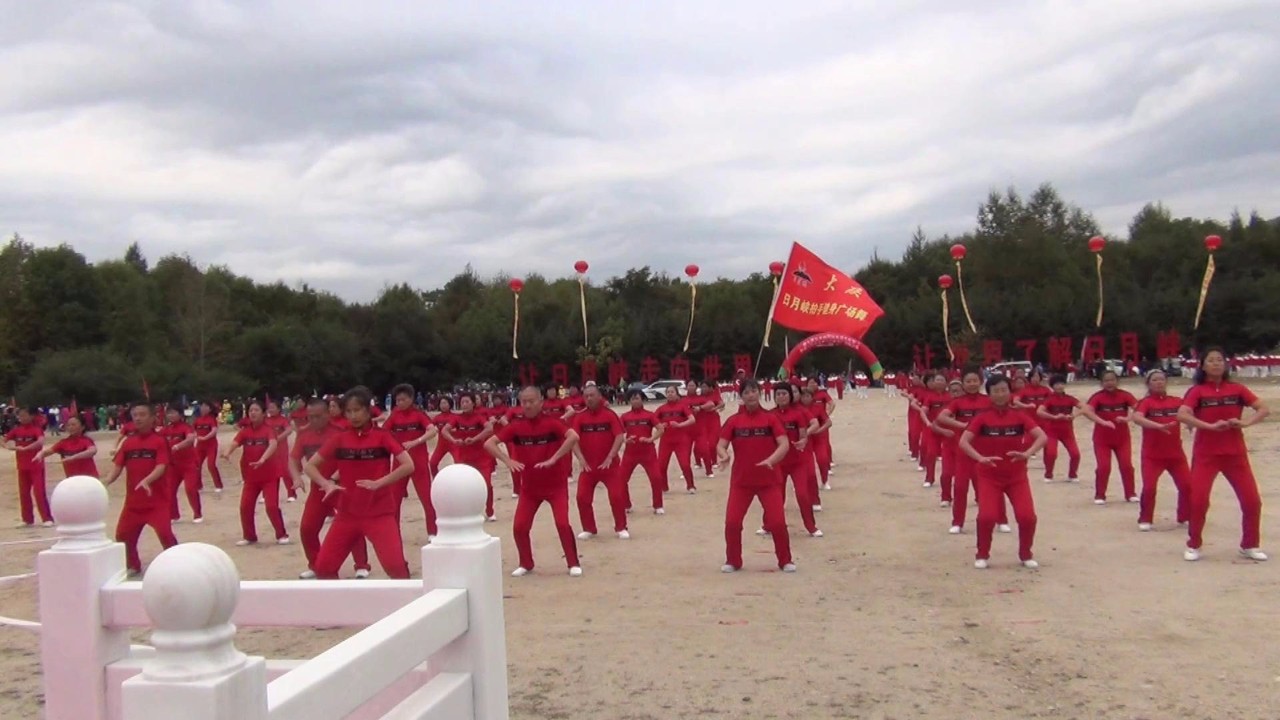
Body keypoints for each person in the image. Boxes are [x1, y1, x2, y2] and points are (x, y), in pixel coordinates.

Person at [304, 387, 413, 579]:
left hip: (379, 513)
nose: (353, 415)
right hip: (347, 514)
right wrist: (326, 483)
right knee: (324, 568)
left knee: (396, 568)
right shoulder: (340, 439)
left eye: (357, 410)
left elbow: (408, 465)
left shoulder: (382, 437)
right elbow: (310, 466)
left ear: (367, 410)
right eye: (348, 411)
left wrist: (380, 482)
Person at [1177, 347, 1271, 562]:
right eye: (1211, 360)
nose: (1217, 364)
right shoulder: (1197, 391)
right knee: (1199, 500)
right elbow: (1183, 415)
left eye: (1220, 360)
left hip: (1235, 454)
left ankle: (1250, 544)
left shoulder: (1237, 389)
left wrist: (1245, 422)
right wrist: (1208, 426)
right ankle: (1194, 544)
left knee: (1252, 501)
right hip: (1206, 455)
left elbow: (1263, 409)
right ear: (1202, 365)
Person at [485, 386, 582, 577]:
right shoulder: (515, 426)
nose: (527, 405)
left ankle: (573, 563)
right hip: (529, 488)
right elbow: (489, 443)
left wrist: (554, 458)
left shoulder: (552, 423)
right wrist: (507, 460)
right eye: (524, 402)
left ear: (540, 402)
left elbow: (573, 437)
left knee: (562, 523)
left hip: (556, 487)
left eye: (531, 401)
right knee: (519, 527)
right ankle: (526, 563)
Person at [958, 375, 1048, 570]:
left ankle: (1025, 554)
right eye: (996, 391)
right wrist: (980, 458)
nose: (1000, 394)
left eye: (1004, 390)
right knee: (987, 516)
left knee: (1027, 517)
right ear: (989, 394)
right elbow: (963, 442)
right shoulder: (981, 418)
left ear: (1010, 392)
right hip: (989, 475)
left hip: (1016, 476)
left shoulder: (1020, 416)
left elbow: (1041, 437)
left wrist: (1026, 453)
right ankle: (982, 554)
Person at [716, 380, 794, 573]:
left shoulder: (771, 419)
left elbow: (784, 444)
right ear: (741, 396)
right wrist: (724, 456)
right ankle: (733, 560)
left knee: (777, 523)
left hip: (768, 481)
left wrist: (771, 460)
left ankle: (785, 560)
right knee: (732, 523)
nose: (750, 395)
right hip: (741, 482)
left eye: (753, 391)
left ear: (759, 393)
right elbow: (720, 444)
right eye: (746, 392)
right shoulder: (734, 421)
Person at [291, 397, 370, 580]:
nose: (314, 420)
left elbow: (352, 459)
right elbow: (293, 458)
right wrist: (296, 477)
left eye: (318, 416)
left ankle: (361, 565)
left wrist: (334, 479)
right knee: (307, 528)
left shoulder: (340, 432)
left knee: (351, 527)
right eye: (310, 417)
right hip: (318, 489)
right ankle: (316, 564)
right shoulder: (304, 435)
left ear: (328, 414)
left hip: (341, 488)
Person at [103, 401, 178, 576]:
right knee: (123, 536)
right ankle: (133, 565)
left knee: (166, 535)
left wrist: (147, 480)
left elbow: (161, 466)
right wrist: (105, 482)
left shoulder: (159, 442)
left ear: (153, 418)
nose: (138, 418)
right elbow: (117, 467)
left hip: (156, 502)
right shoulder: (128, 443)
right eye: (135, 415)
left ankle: (177, 564)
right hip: (133, 503)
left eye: (143, 415)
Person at [935, 369, 1009, 535]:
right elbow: (942, 417)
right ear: (963, 383)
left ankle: (1002, 519)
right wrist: (963, 426)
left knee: (994, 487)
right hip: (964, 451)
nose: (972, 384)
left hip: (986, 450)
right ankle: (957, 522)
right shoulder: (958, 403)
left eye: (975, 380)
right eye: (968, 381)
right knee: (960, 487)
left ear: (981, 381)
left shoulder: (988, 400)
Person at [221, 400, 289, 546]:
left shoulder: (269, 429)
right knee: (245, 506)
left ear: (263, 413)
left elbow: (273, 444)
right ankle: (249, 536)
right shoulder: (245, 431)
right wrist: (227, 452)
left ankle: (281, 534)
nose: (253, 413)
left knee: (271, 506)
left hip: (269, 476)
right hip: (251, 477)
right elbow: (235, 442)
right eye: (251, 410)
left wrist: (263, 459)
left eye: (256, 410)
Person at [1130, 370, 1189, 532]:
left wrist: (1191, 423)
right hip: (1152, 456)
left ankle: (1184, 516)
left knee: (1186, 485)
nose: (1159, 382)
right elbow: (1137, 418)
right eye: (1154, 380)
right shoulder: (1146, 402)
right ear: (1148, 383)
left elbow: (1190, 412)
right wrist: (1158, 426)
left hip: (1176, 454)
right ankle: (1145, 518)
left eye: (1162, 379)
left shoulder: (1176, 401)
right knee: (1149, 487)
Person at [571, 385, 629, 540]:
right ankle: (589, 528)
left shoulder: (610, 415)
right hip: (589, 467)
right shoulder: (580, 417)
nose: (589, 398)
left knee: (616, 496)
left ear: (599, 396)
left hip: (610, 466)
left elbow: (619, 436)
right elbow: (573, 439)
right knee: (582, 497)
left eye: (592, 395)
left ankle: (621, 527)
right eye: (586, 396)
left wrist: (610, 457)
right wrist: (580, 458)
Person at [385, 384, 439, 533]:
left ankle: (433, 531)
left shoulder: (418, 414)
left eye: (403, 399)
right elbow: (383, 433)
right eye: (398, 400)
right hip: (399, 464)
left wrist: (416, 441)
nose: (400, 403)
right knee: (394, 499)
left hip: (419, 462)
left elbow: (433, 430)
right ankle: (393, 531)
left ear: (411, 399)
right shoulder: (394, 415)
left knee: (427, 498)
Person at [771, 384, 822, 538]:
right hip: (778, 463)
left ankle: (811, 526)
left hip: (797, 462)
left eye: (784, 394)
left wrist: (803, 441)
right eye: (778, 394)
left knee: (802, 494)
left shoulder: (798, 414)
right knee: (776, 496)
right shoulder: (770, 415)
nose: (781, 396)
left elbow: (803, 434)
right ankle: (769, 524)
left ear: (791, 396)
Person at [1085, 371, 1138, 504]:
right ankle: (1100, 495)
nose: (1109, 383)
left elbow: (1139, 410)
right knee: (1104, 467)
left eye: (1112, 380)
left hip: (1122, 438)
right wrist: (1102, 422)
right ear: (1101, 383)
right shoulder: (1097, 397)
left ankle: (1130, 493)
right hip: (1102, 439)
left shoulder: (1125, 395)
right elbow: (1087, 411)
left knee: (1126, 466)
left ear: (1117, 381)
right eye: (1106, 380)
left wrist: (1127, 418)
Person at [442, 393, 496, 522]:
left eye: (467, 401)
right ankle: (469, 511)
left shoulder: (479, 417)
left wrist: (475, 439)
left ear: (473, 403)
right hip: (464, 457)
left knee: (486, 484)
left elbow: (489, 429)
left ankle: (489, 511)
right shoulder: (456, 418)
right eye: (462, 402)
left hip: (481, 456)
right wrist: (454, 441)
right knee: (464, 485)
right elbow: (444, 430)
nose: (464, 404)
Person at [1035, 376, 1091, 483]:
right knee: (1051, 454)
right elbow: (1039, 412)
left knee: (1075, 454)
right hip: (1052, 431)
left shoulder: (1070, 399)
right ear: (1052, 387)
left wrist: (1074, 415)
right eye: (1056, 384)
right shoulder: (1049, 400)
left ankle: (1072, 474)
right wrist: (1054, 417)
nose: (1059, 386)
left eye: (1061, 383)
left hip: (1067, 432)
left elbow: (1085, 407)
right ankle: (1048, 474)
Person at [617, 390, 665, 514]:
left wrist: (651, 439)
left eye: (637, 398)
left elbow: (660, 428)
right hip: (630, 453)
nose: (635, 401)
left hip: (648, 452)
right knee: (621, 480)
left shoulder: (649, 415)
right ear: (629, 401)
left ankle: (658, 505)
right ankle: (626, 505)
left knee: (656, 478)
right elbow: (617, 433)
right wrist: (625, 440)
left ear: (642, 399)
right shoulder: (625, 417)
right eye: (632, 399)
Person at [3, 407, 52, 527]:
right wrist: (9, 447)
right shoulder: (16, 430)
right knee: (24, 493)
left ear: (31, 416)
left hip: (36, 466)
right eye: (20, 416)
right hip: (22, 466)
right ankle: (27, 519)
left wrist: (26, 448)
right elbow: (4, 440)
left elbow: (40, 441)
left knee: (39, 492)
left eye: (24, 415)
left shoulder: (36, 430)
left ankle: (46, 518)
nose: (22, 418)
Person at [160, 406, 202, 524]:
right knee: (170, 491)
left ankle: (197, 513)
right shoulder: (165, 430)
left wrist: (177, 446)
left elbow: (190, 439)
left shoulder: (186, 427)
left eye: (173, 413)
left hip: (189, 465)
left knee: (190, 489)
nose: (171, 416)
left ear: (180, 414)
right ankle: (173, 515)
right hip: (173, 466)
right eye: (169, 414)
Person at [655, 386, 697, 494]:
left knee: (685, 464)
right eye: (668, 392)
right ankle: (664, 487)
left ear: (677, 394)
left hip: (681, 440)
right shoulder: (661, 409)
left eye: (672, 392)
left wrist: (679, 425)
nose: (670, 394)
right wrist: (660, 425)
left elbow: (692, 420)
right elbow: (653, 422)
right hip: (666, 441)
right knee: (661, 465)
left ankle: (691, 486)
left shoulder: (682, 407)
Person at [35, 415, 99, 480]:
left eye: (73, 425)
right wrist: (40, 454)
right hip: (71, 479)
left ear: (82, 427)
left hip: (89, 479)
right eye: (68, 425)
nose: (70, 427)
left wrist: (73, 457)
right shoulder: (63, 443)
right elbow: (48, 452)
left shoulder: (86, 440)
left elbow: (92, 451)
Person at [918, 372, 950, 489]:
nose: (939, 382)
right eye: (937, 380)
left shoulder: (951, 396)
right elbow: (923, 411)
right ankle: (929, 478)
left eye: (942, 380)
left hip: (948, 430)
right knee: (931, 453)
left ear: (946, 382)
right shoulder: (930, 397)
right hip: (934, 429)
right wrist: (927, 422)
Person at [799, 387, 833, 493]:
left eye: (808, 396)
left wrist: (819, 430)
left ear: (812, 397)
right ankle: (800, 483)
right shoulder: (797, 409)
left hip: (818, 439)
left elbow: (828, 422)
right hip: (804, 440)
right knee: (803, 465)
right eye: (803, 396)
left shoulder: (818, 408)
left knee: (823, 459)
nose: (805, 399)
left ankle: (824, 481)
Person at [691, 379, 725, 478]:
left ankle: (714, 461)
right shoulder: (699, 397)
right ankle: (698, 462)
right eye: (702, 386)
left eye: (705, 387)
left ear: (711, 388)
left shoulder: (714, 395)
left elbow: (721, 404)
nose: (703, 388)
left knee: (712, 443)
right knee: (698, 444)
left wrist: (714, 409)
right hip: (702, 422)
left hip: (713, 422)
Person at [265, 401, 297, 503]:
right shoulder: (265, 420)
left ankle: (292, 493)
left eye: (273, 407)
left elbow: (289, 430)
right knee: (269, 472)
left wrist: (277, 439)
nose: (271, 410)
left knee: (284, 471)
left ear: (279, 409)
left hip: (281, 449)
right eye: (269, 408)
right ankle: (267, 495)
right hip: (269, 450)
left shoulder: (282, 420)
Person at [193, 401, 224, 492]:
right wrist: (197, 437)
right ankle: (199, 486)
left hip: (211, 445)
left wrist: (205, 437)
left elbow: (214, 430)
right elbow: (193, 431)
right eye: (202, 406)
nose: (203, 408)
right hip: (200, 446)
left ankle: (218, 485)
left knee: (211, 465)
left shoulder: (211, 419)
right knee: (197, 465)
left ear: (209, 409)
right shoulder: (197, 420)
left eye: (205, 406)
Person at [428, 396, 456, 476]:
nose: (443, 405)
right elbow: (429, 426)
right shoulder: (437, 418)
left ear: (450, 404)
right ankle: (437, 480)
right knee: (432, 463)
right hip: (441, 445)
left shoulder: (455, 417)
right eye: (441, 403)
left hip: (453, 444)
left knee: (459, 463)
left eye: (445, 403)